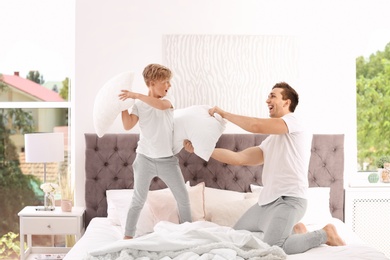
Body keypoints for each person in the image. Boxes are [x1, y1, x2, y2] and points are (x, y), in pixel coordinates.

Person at [183, 82, 345, 254]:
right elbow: (240, 158)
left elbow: (255, 126)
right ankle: (296, 231)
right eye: (268, 96)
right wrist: (201, 149)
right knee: (235, 238)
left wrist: (223, 114)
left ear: (286, 102)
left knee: (273, 249)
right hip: (266, 203)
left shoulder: (296, 122)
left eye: (273, 96)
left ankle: (325, 234)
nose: (268, 100)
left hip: (289, 201)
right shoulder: (271, 141)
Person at [119, 63, 192, 239]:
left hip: (167, 160)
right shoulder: (139, 105)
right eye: (165, 82)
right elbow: (128, 125)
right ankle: (128, 237)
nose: (169, 85)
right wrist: (121, 106)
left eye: (169, 81)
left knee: (183, 199)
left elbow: (160, 106)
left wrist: (136, 95)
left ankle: (189, 233)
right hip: (144, 158)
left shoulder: (169, 100)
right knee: (138, 200)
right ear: (152, 82)